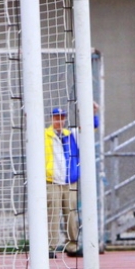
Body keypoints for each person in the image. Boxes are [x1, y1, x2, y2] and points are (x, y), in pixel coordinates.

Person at [45, 104, 99, 257]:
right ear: (51, 119)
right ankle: (50, 246)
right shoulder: (44, 135)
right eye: (56, 118)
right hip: (52, 181)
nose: (59, 121)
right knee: (52, 214)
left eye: (62, 118)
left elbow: (90, 128)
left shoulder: (71, 135)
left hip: (69, 181)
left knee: (71, 214)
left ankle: (72, 245)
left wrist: (92, 112)